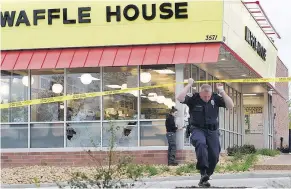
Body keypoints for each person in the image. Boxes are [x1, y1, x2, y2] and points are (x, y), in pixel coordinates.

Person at [177, 78, 234, 187]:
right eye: (204, 97)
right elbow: (179, 98)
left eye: (208, 96)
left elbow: (231, 105)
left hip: (212, 131)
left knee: (214, 155)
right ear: (200, 93)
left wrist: (222, 91)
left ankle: (206, 176)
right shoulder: (194, 98)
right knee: (201, 143)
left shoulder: (215, 98)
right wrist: (189, 85)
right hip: (197, 129)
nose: (206, 98)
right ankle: (203, 171)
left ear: (211, 94)